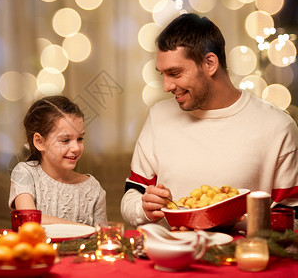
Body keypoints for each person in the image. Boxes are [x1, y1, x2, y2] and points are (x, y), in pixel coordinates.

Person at [121, 13, 298, 228]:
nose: (166, 86)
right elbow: (132, 196)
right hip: (172, 256)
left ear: (210, 63)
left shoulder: (277, 127)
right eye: (162, 75)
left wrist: (237, 221)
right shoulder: (158, 116)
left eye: (175, 73)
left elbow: (291, 217)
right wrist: (144, 208)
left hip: (240, 258)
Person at [9, 96, 107, 226]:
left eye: (80, 139)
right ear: (39, 142)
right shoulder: (25, 173)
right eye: (65, 140)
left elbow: (102, 237)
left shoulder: (93, 188)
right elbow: (29, 219)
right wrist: (82, 228)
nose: (76, 148)